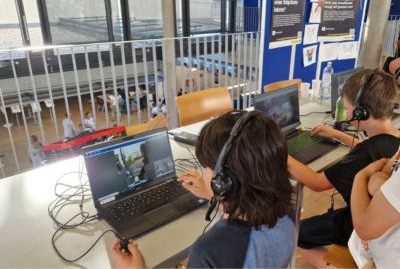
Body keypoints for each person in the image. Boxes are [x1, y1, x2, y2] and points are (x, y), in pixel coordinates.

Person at [110, 110, 295, 269]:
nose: (204, 172)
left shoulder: (210, 250)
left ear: (224, 181)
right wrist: (212, 195)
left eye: (206, 167)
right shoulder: (287, 211)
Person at [287, 69, 400, 269]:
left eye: (348, 109)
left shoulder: (368, 151)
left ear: (361, 112)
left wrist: (282, 155)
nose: (347, 114)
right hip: (384, 223)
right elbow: (369, 149)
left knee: (294, 233)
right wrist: (338, 135)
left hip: (358, 225)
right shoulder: (394, 138)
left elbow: (317, 183)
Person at [348, 153, 400, 268]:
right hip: (375, 245)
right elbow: (384, 172)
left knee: (303, 234)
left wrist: (362, 175)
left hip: (387, 258)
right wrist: (380, 186)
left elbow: (363, 227)